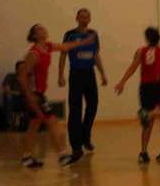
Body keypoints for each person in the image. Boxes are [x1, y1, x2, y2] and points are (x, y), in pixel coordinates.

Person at [20, 24, 94, 168]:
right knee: (53, 122)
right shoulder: (33, 53)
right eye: (40, 29)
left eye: (43, 28)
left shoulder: (47, 46)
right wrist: (30, 96)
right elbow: (22, 76)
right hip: (35, 95)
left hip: (40, 94)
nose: (44, 29)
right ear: (34, 35)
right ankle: (62, 155)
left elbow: (65, 47)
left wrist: (84, 42)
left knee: (34, 126)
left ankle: (26, 157)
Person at [114, 27, 160, 164]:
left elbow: (133, 67)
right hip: (158, 85)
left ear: (147, 38)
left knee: (148, 122)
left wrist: (122, 82)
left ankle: (144, 152)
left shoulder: (141, 51)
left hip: (145, 88)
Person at [59, 9, 107, 164]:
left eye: (87, 16)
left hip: (89, 74)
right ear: (77, 18)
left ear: (90, 19)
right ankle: (76, 146)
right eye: (82, 16)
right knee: (75, 109)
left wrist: (102, 73)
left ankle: (85, 137)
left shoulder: (93, 35)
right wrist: (60, 75)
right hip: (76, 74)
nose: (85, 19)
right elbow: (63, 54)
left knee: (93, 105)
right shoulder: (70, 35)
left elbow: (95, 55)